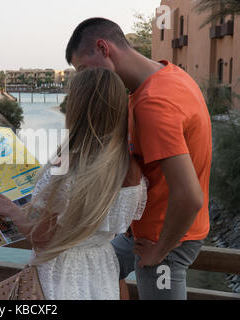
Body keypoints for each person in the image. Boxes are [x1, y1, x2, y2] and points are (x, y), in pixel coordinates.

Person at [65, 17, 212, 299]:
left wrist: (160, 250)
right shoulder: (168, 75)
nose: (83, 78)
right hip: (142, 233)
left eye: (83, 68)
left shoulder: (154, 104)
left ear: (103, 48)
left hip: (164, 239)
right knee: (94, 265)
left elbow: (190, 197)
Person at [0, 68, 148, 300]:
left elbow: (42, 238)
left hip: (60, 272)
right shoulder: (131, 169)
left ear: (76, 108)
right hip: (102, 269)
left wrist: (12, 211)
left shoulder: (67, 167)